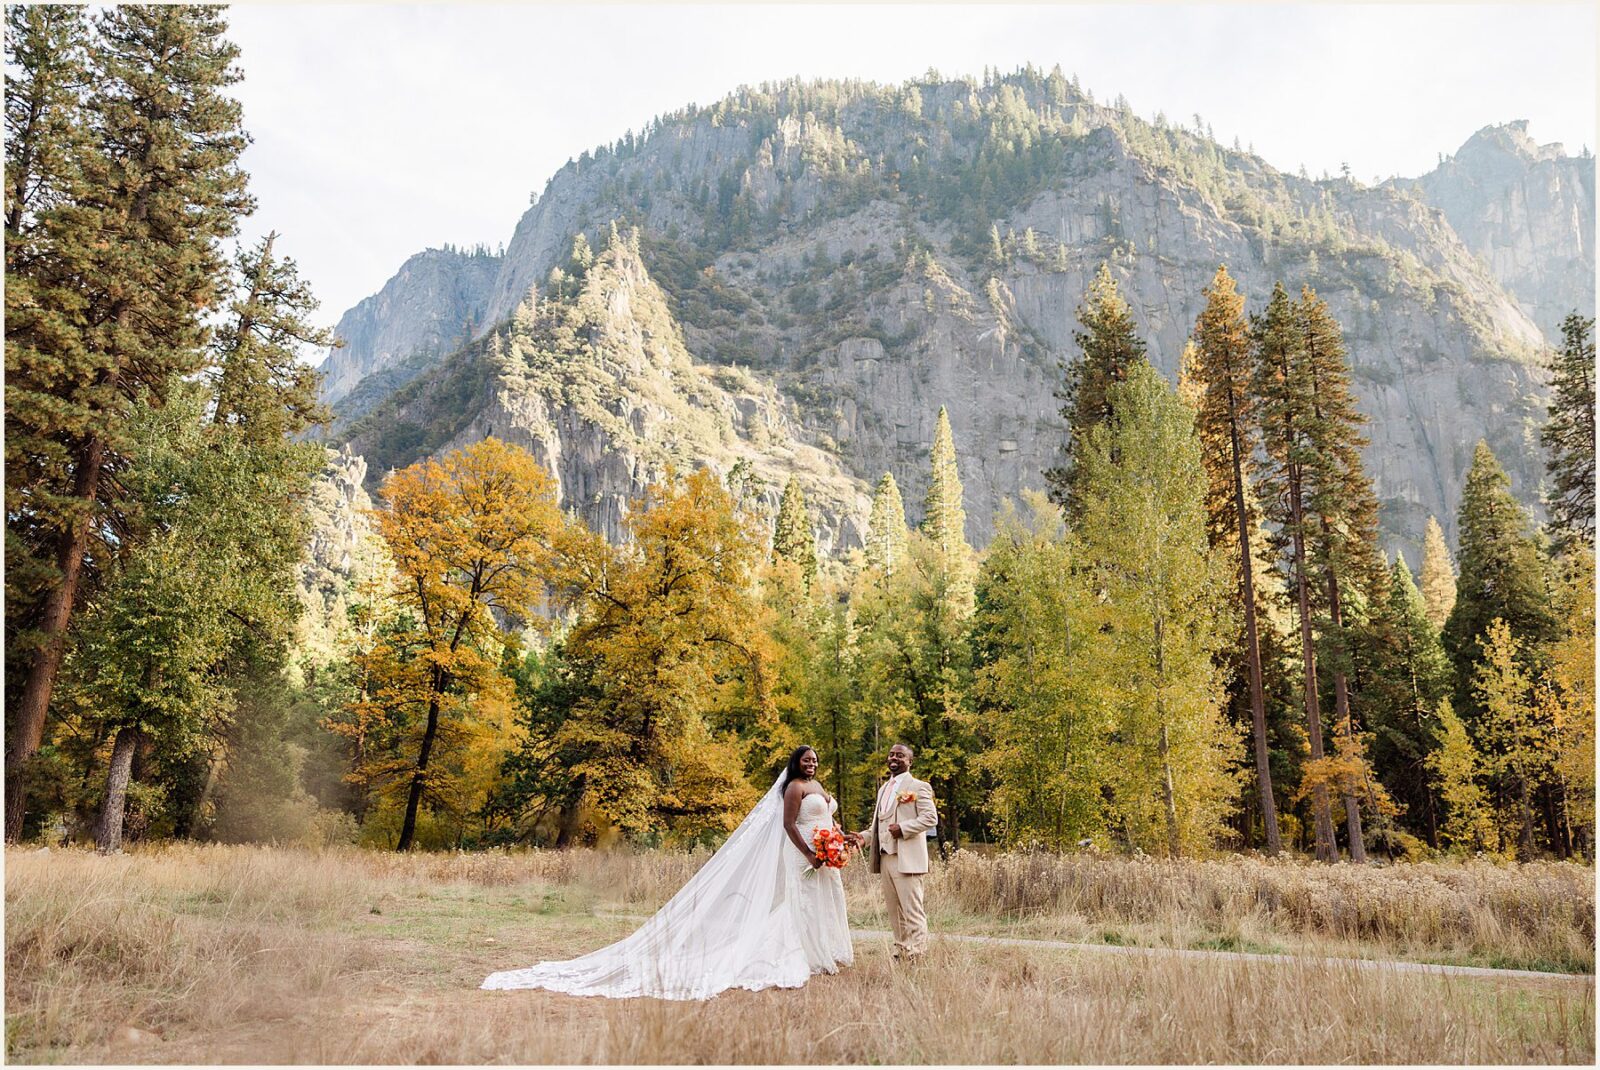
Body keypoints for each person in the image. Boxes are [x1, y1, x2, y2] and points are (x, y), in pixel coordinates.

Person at [481, 745, 852, 1000]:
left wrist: (835, 842)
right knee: (800, 903)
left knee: (823, 902)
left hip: (823, 853)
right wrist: (809, 854)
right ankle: (807, 956)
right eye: (806, 760)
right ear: (795, 764)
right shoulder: (793, 789)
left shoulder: (818, 786)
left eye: (815, 760)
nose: (811, 764)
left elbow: (826, 817)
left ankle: (823, 953)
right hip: (802, 853)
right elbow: (789, 826)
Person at [849, 742, 938, 960]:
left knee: (912, 910)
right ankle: (901, 950)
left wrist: (904, 829)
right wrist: (863, 838)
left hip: (907, 858)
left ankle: (917, 954)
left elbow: (930, 818)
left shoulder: (918, 786)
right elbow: (878, 826)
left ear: (910, 761)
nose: (894, 758)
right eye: (891, 755)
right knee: (894, 910)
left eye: (900, 755)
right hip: (885, 857)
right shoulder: (883, 789)